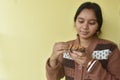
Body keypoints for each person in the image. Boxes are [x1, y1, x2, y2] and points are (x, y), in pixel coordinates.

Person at [46, 1, 120, 80]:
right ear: (75, 22)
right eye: (81, 21)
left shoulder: (110, 49)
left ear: (98, 26)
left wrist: (90, 63)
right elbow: (53, 78)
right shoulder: (66, 48)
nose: (85, 27)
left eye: (91, 23)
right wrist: (53, 58)